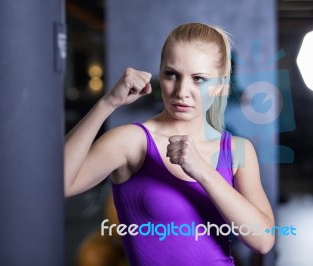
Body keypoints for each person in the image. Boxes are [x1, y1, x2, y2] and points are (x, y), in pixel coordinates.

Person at [65, 22, 275, 265]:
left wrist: (204, 172)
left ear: (220, 86)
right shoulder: (133, 142)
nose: (182, 91)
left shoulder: (237, 150)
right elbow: (59, 184)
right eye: (172, 74)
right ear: (160, 74)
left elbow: (263, 240)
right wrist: (107, 104)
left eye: (199, 79)